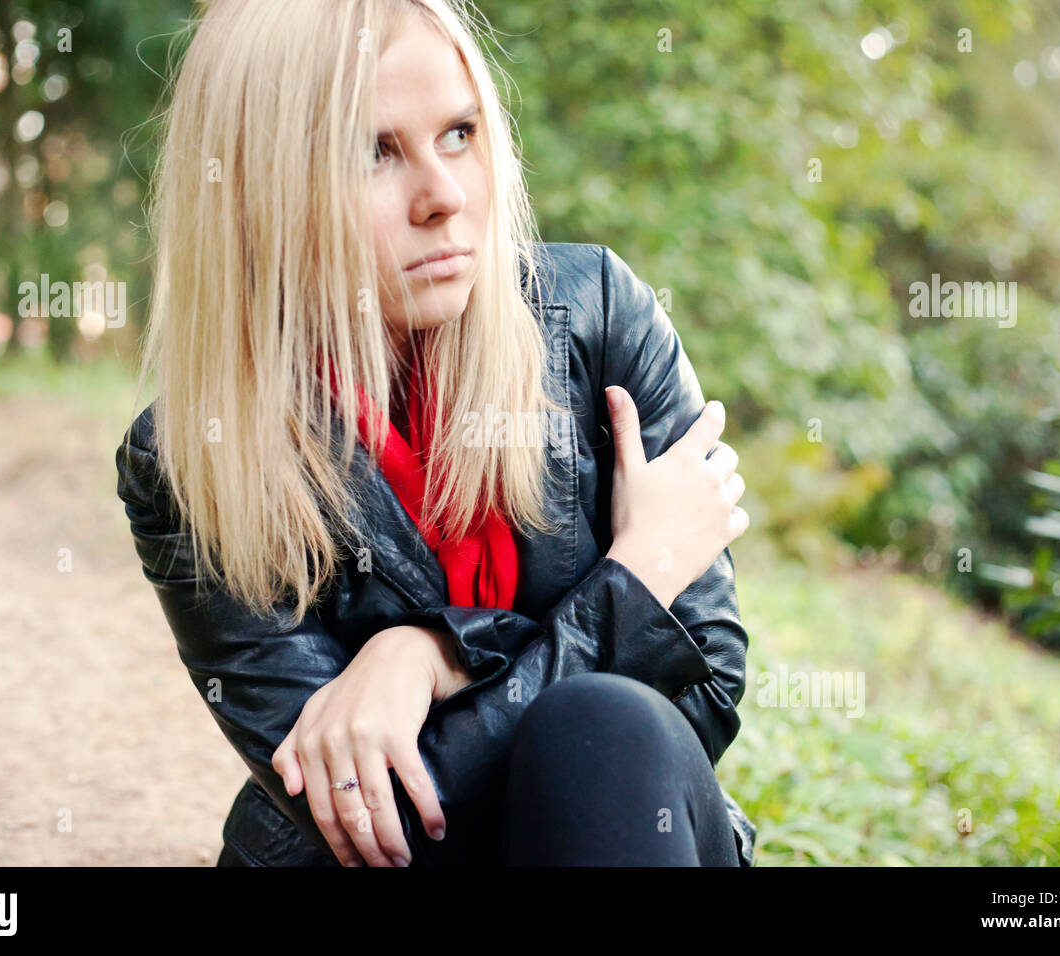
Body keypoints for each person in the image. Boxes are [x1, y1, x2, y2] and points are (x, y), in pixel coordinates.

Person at [115, 0, 755, 867]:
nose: (444, 197)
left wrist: (430, 658)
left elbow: (704, 690)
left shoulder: (599, 317)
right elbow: (383, 824)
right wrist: (637, 578)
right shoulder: (193, 456)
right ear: (259, 195)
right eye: (372, 152)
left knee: (606, 725)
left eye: (459, 133)